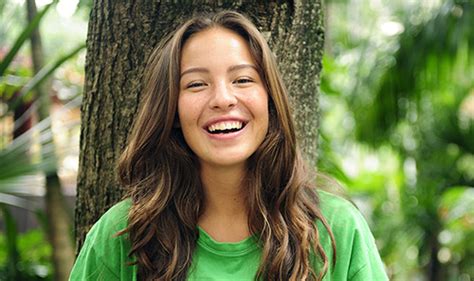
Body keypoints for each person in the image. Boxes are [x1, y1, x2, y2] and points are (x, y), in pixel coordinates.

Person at [70, 10, 388, 281]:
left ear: (270, 100)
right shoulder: (122, 236)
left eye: (243, 80)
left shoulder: (337, 232)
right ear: (172, 110)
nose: (223, 99)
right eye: (196, 84)